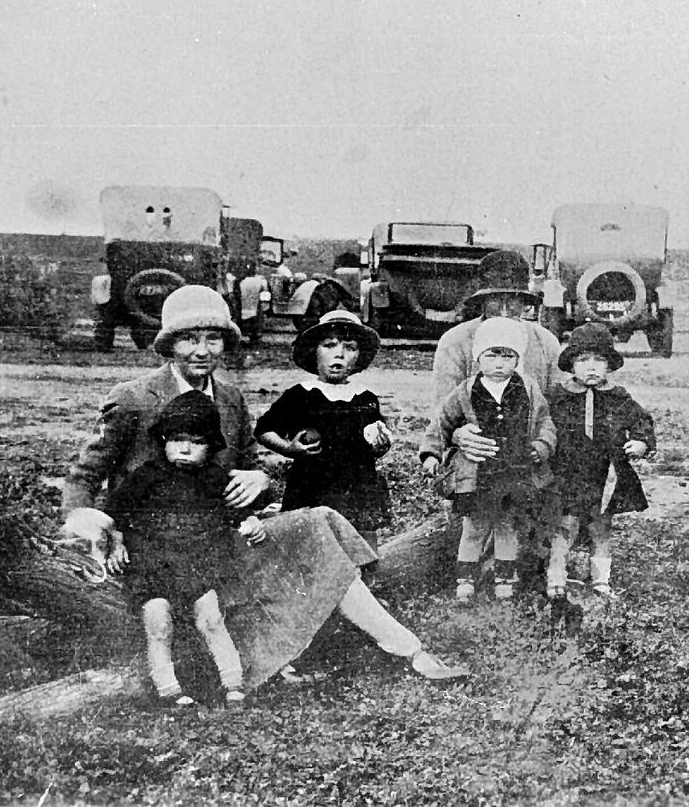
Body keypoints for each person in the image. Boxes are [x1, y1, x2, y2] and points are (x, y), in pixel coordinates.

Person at [61, 285, 469, 687]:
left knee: (317, 523)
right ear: (168, 345)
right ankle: (380, 648)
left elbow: (252, 469)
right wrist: (91, 525)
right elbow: (84, 476)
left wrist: (260, 481)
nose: (202, 351)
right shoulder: (133, 399)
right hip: (159, 548)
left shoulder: (230, 399)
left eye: (213, 339)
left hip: (224, 535)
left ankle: (404, 647)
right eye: (189, 339)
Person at [105, 391, 267, 706]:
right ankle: (168, 690)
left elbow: (238, 512)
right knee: (157, 620)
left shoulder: (215, 478)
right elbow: (116, 512)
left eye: (196, 442)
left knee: (211, 618)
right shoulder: (146, 476)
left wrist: (251, 522)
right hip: (152, 564)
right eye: (177, 439)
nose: (184, 448)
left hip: (199, 563)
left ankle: (234, 685)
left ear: (211, 446)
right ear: (164, 440)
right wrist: (117, 541)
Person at [420, 317, 556, 601]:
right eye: (492, 355)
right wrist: (431, 454)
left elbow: (545, 422)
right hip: (479, 473)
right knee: (475, 526)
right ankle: (465, 580)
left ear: (517, 359)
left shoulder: (529, 389)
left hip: (514, 471)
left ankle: (504, 580)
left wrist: (542, 445)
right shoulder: (466, 391)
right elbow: (442, 423)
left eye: (507, 356)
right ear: (478, 357)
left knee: (507, 525)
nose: (499, 364)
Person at [255, 310, 394, 552]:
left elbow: (373, 441)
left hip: (357, 486)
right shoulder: (301, 395)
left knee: (360, 544)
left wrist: (380, 446)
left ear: (359, 357)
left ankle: (366, 573)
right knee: (310, 545)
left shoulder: (366, 398)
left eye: (350, 348)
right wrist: (289, 448)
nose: (339, 354)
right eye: (329, 345)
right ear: (314, 351)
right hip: (312, 485)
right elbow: (264, 430)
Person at [544, 323, 655, 599]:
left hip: (605, 474)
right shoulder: (557, 397)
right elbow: (541, 424)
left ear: (609, 365)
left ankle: (601, 579)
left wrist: (641, 442)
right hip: (567, 472)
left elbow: (641, 421)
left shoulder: (618, 397)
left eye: (599, 360)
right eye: (583, 360)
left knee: (601, 525)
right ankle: (556, 575)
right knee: (565, 524)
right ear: (571, 364)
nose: (591, 367)